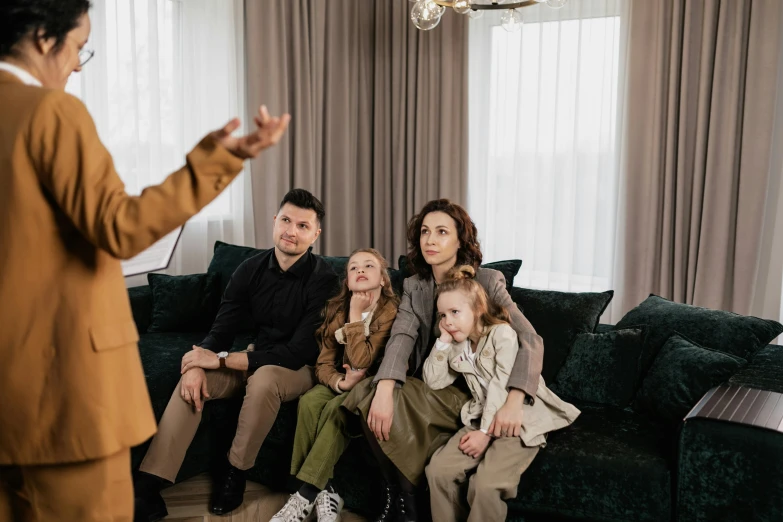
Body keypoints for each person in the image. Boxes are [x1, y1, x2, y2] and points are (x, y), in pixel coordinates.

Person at [0, 1, 290, 520]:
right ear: (46, 39)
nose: (77, 66)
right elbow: (122, 227)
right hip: (63, 392)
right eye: (79, 48)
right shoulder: (49, 111)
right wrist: (221, 160)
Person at [132, 189, 338, 521]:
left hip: (299, 366)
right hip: (255, 355)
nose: (291, 231)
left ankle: (235, 472)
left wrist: (223, 359)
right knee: (194, 375)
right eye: (286, 220)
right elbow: (221, 329)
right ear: (274, 222)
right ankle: (148, 484)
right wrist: (200, 361)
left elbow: (297, 351)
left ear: (315, 234)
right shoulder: (250, 268)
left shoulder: (324, 279)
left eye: (303, 226)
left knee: (265, 379)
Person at [343, 199, 545, 522]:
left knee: (378, 395)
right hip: (435, 379)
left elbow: (530, 340)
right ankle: (401, 495)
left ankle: (404, 495)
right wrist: (384, 386)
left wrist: (516, 400)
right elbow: (402, 336)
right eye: (425, 232)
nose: (430, 240)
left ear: (460, 241)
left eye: (441, 232)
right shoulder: (415, 285)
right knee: (369, 394)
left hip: (477, 389)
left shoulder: (488, 282)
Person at [423, 266, 579, 522]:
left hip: (518, 419)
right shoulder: (456, 344)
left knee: (485, 485)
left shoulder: (502, 334)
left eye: (454, 312)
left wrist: (485, 434)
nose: (448, 321)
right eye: (442, 315)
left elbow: (500, 386)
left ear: (477, 310)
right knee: (438, 471)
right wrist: (442, 343)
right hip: (481, 416)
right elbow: (433, 380)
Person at [270, 249, 399, 522]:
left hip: (372, 385)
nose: (360, 270)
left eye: (368, 266)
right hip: (344, 382)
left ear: (384, 280)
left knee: (336, 411)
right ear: (347, 281)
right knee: (309, 401)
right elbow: (323, 364)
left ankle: (304, 494)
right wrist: (340, 383)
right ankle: (327, 490)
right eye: (353, 268)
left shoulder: (390, 312)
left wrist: (355, 314)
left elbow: (362, 360)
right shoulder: (335, 309)